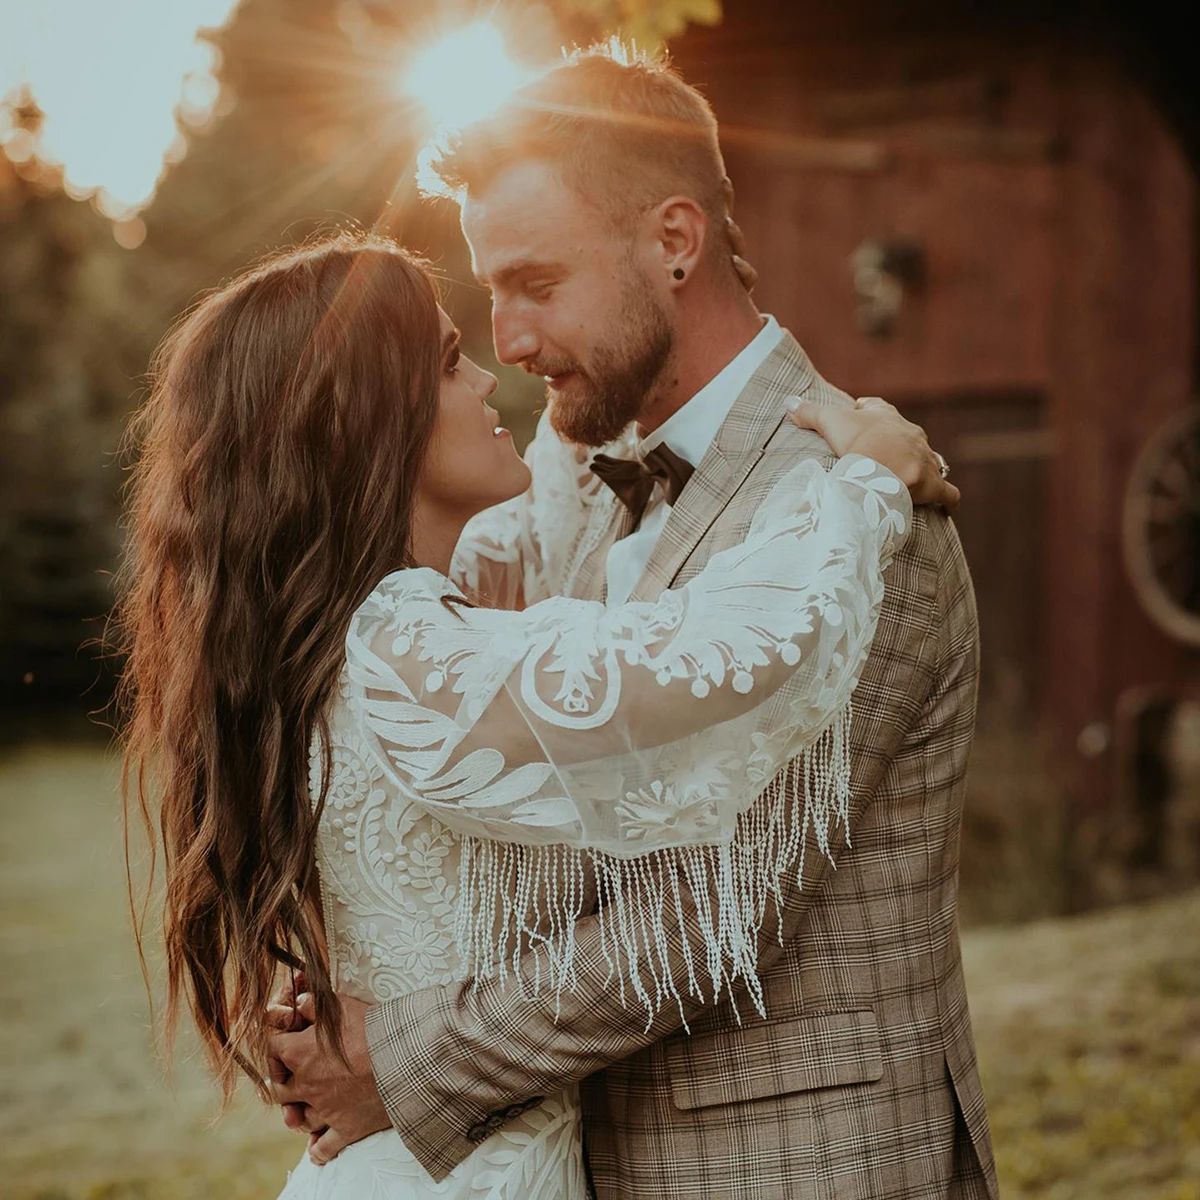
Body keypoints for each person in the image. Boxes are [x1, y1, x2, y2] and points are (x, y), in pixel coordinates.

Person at [266, 45, 998, 1200]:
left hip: (806, 1167)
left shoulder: (857, 518)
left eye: (536, 284)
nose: (505, 340)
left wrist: (396, 1060)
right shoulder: (558, 497)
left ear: (673, 241)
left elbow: (708, 910)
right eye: (487, 294)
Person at [117, 232, 945, 1200]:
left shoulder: (398, 634)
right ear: (366, 424)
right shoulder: (408, 655)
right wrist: (869, 484)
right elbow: (727, 658)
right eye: (445, 361)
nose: (487, 376)